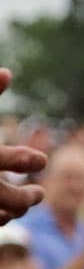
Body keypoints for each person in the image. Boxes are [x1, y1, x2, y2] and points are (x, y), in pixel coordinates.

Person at [0, 72, 46, 226]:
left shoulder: (49, 165)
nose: (39, 141)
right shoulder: (12, 170)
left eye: (42, 136)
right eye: (35, 135)